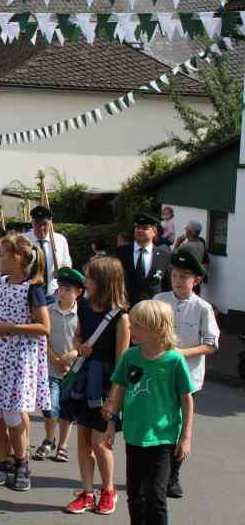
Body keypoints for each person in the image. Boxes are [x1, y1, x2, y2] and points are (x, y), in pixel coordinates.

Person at [104, 300, 195, 525]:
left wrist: (186, 437)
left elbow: (187, 399)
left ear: (159, 328)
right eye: (131, 323)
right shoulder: (130, 356)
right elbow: (120, 388)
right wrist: (111, 423)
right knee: (136, 496)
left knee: (156, 496)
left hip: (163, 438)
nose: (130, 329)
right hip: (135, 435)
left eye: (137, 325)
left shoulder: (174, 360)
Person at [0, 235, 50, 492]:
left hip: (18, 359)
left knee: (13, 416)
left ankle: (22, 465)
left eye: (2, 255)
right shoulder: (0, 282)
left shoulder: (33, 288)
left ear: (17, 258)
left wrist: (12, 327)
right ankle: (0, 466)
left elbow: (44, 327)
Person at [64, 257, 131, 516]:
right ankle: (87, 492)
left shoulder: (121, 317)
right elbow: (78, 334)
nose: (85, 282)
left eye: (89, 278)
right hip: (84, 381)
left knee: (100, 443)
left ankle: (108, 490)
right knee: (82, 440)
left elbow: (121, 363)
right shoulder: (84, 305)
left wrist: (113, 402)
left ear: (103, 282)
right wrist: (80, 345)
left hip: (104, 385)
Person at [153, 251, 219, 498]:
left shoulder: (203, 308)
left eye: (184, 276)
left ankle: (173, 476)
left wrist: (183, 353)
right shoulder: (160, 300)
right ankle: (156, 471)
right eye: (175, 275)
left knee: (179, 426)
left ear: (196, 281)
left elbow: (211, 345)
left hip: (187, 377)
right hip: (158, 372)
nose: (178, 280)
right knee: (158, 423)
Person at [33, 267, 85, 463]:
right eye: (60, 288)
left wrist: (72, 354)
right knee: (50, 408)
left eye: (67, 289)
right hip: (51, 367)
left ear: (78, 292)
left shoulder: (82, 313)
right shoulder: (49, 310)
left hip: (73, 370)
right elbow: (42, 336)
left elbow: (83, 340)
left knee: (67, 411)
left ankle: (62, 445)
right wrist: (54, 358)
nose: (62, 292)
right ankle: (49, 439)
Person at [116, 213, 172, 308]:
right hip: (126, 309)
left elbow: (168, 286)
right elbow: (114, 281)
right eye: (137, 227)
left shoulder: (164, 256)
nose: (140, 230)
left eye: (145, 228)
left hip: (153, 311)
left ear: (154, 232)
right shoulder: (121, 253)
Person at [24, 206, 72, 304]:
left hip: (53, 294)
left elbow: (67, 264)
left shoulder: (60, 240)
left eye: (44, 224)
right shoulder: (23, 241)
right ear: (32, 223)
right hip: (29, 294)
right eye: (37, 224)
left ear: (50, 223)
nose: (41, 228)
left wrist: (61, 271)